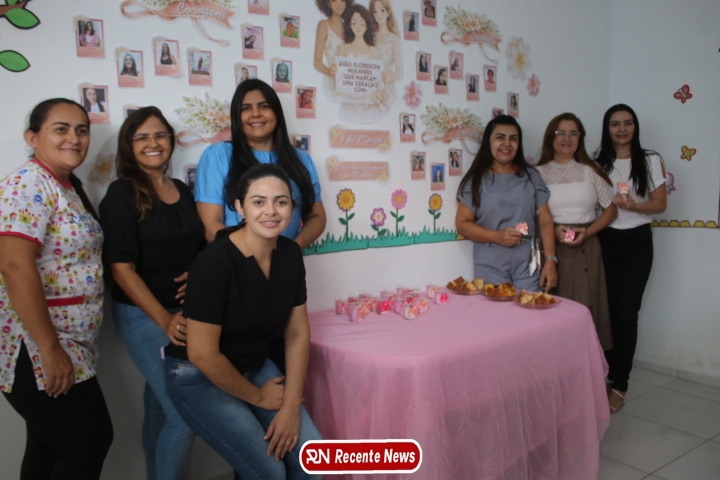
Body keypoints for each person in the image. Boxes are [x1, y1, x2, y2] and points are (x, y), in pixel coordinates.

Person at [164, 164, 323, 478]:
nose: (271, 211)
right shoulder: (214, 261)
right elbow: (202, 354)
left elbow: (296, 333)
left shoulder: (290, 254)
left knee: (312, 462)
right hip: (199, 377)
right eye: (258, 201)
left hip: (254, 365)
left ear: (292, 208)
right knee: (270, 473)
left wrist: (291, 405)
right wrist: (260, 397)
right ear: (240, 207)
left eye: (281, 201)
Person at [0, 98, 113, 478]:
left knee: (48, 448)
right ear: (32, 137)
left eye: (82, 130)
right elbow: (14, 265)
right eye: (60, 129)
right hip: (35, 344)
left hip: (68, 340)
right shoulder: (27, 182)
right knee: (88, 443)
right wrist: (50, 350)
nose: (74, 138)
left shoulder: (64, 187)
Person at [99, 107, 205, 480]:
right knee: (184, 413)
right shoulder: (121, 194)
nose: (152, 143)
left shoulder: (182, 191)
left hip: (184, 313)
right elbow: (121, 270)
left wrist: (199, 272)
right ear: (128, 145)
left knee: (162, 408)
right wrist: (164, 319)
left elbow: (198, 247)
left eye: (159, 135)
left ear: (171, 141)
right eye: (141, 137)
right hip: (145, 316)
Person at [595, 104, 667, 414]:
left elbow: (660, 205)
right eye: (615, 124)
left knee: (626, 313)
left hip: (637, 243)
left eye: (628, 123)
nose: (622, 129)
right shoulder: (597, 163)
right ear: (607, 128)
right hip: (605, 241)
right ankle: (606, 375)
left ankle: (620, 384)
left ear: (635, 127)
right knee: (606, 312)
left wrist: (634, 206)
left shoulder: (650, 160)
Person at [536, 113, 617, 353]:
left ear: (580, 138)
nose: (567, 138)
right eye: (561, 133)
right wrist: (554, 231)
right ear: (550, 137)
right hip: (551, 248)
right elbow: (531, 214)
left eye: (573, 133)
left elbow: (610, 210)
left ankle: (589, 366)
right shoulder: (537, 173)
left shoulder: (591, 170)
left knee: (587, 307)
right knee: (552, 310)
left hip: (586, 248)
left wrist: (588, 232)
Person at [456, 115, 557, 292]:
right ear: (488, 142)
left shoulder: (531, 176)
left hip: (528, 263)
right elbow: (462, 223)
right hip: (490, 263)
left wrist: (550, 260)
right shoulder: (477, 180)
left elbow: (546, 220)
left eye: (513, 138)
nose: (507, 144)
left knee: (531, 307)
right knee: (497, 309)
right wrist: (497, 236)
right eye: (500, 137)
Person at [314, 0, 354, 99]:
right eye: (334, 0)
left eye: (342, 0)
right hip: (333, 86)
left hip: (351, 82)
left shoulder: (350, 27)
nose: (339, 4)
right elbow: (317, 62)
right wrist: (330, 73)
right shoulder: (324, 25)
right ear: (328, 2)